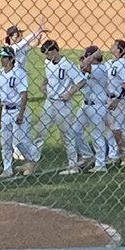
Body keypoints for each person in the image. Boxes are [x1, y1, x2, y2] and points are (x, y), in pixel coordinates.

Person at [36, 39, 84, 175]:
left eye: (48, 54)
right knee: (40, 133)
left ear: (55, 50)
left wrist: (69, 93)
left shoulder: (67, 65)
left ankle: (73, 166)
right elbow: (47, 77)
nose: (46, 57)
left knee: (67, 136)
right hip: (49, 102)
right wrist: (43, 85)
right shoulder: (47, 63)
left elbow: (81, 81)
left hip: (63, 104)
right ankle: (34, 163)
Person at [0, 46, 40, 178]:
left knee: (20, 140)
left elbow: (24, 94)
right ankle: (7, 169)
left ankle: (34, 160)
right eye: (1, 57)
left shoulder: (19, 73)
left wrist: (21, 113)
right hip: (5, 111)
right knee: (6, 142)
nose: (2, 60)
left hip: (17, 109)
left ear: (12, 58)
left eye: (4, 57)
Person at [74, 45, 111, 172]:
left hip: (98, 105)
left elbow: (84, 66)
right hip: (86, 105)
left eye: (86, 55)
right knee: (75, 130)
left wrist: (92, 56)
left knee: (97, 135)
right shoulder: (92, 68)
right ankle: (87, 155)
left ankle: (100, 165)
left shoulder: (100, 68)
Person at [104, 39, 125, 166]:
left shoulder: (124, 64)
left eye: (114, 45)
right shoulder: (108, 63)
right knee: (109, 128)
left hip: (120, 100)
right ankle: (113, 154)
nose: (111, 46)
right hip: (108, 99)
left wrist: (118, 99)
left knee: (117, 127)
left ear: (119, 50)